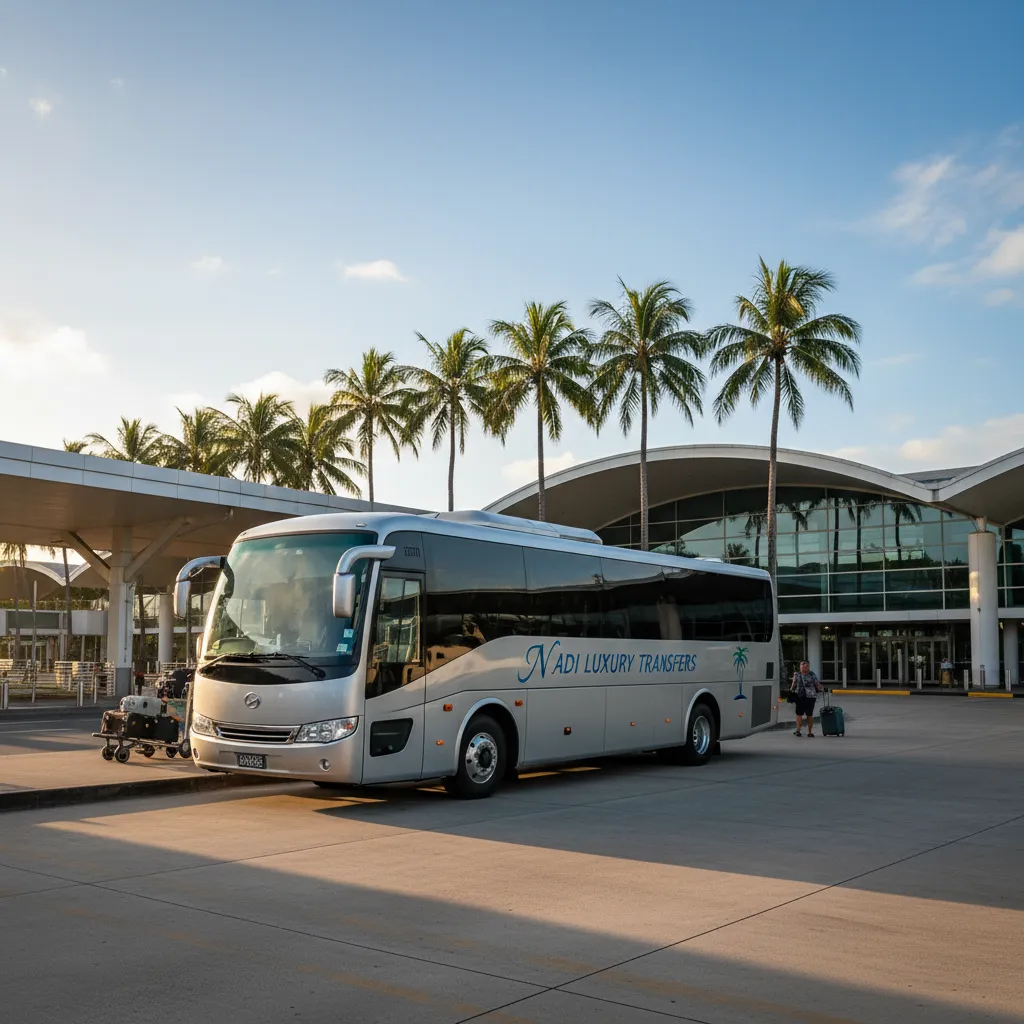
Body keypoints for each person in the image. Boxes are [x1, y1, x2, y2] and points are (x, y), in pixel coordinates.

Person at [790, 660, 823, 737]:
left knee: (809, 714)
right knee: (799, 714)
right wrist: (791, 692)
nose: (804, 667)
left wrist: (821, 689)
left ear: (808, 667)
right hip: (799, 696)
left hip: (810, 697)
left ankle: (809, 732)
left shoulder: (812, 674)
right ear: (800, 667)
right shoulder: (796, 674)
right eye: (802, 666)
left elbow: (816, 683)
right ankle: (798, 731)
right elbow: (794, 684)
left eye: (806, 666)